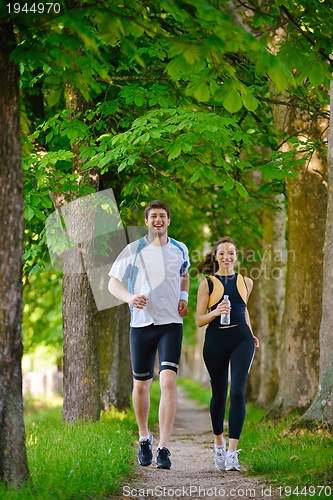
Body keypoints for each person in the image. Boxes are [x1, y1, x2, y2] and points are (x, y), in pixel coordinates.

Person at [108, 200, 190, 470]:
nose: (158, 220)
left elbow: (184, 274)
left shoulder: (180, 249)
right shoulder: (134, 249)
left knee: (168, 382)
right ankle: (144, 437)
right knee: (141, 385)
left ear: (169, 221)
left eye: (162, 216)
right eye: (153, 216)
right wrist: (131, 298)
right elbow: (112, 283)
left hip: (171, 323)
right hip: (141, 324)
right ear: (147, 221)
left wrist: (183, 297)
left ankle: (164, 448)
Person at [195, 236, 259, 472]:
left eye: (231, 253)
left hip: (241, 339)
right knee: (219, 394)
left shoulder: (247, 282)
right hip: (215, 341)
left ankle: (233, 452)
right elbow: (199, 320)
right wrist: (215, 311)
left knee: (238, 393)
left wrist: (251, 334)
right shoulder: (207, 284)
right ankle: (219, 444)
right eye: (222, 253)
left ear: (236, 256)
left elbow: (244, 311)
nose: (226, 257)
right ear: (216, 257)